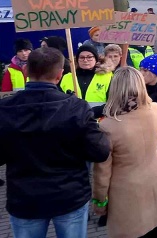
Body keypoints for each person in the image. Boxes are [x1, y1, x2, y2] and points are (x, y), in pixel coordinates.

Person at [0, 47, 110, 238]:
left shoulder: (5, 109)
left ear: (26, 71)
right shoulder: (77, 108)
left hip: (25, 199)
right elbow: (100, 151)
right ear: (60, 75)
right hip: (69, 196)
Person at [93, 67, 157, 238]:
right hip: (154, 182)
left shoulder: (108, 127)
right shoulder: (155, 109)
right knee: (156, 230)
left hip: (127, 193)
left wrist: (99, 201)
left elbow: (102, 172)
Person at [60, 45, 114, 117]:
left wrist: (90, 113)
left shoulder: (107, 76)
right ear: (77, 60)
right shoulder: (67, 77)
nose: (85, 60)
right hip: (73, 121)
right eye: (82, 57)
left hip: (99, 122)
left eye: (89, 57)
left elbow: (113, 102)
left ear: (96, 59)